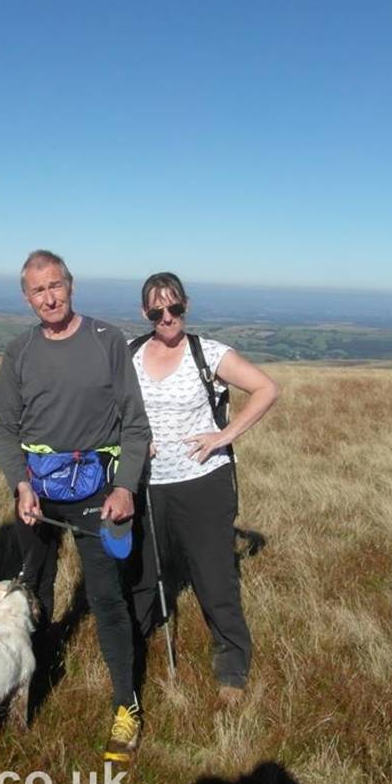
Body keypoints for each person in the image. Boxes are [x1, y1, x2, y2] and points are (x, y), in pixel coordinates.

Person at [0, 250, 151, 764]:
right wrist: (20, 485)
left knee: (106, 599)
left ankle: (126, 707)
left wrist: (124, 488)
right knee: (34, 595)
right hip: (36, 492)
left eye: (56, 285)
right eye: (38, 290)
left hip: (97, 492)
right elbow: (3, 428)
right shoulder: (19, 352)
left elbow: (134, 423)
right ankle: (24, 692)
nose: (49, 297)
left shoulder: (107, 343)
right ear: (26, 297)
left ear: (71, 285)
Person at [129, 271, 280, 707]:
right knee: (143, 572)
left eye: (174, 307)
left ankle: (232, 663)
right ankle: (136, 646)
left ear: (186, 306)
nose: (167, 316)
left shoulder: (208, 353)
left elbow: (267, 389)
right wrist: (133, 439)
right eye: (157, 310)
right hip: (148, 483)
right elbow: (112, 405)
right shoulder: (131, 353)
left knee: (213, 576)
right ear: (146, 313)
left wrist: (224, 435)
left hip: (203, 482)